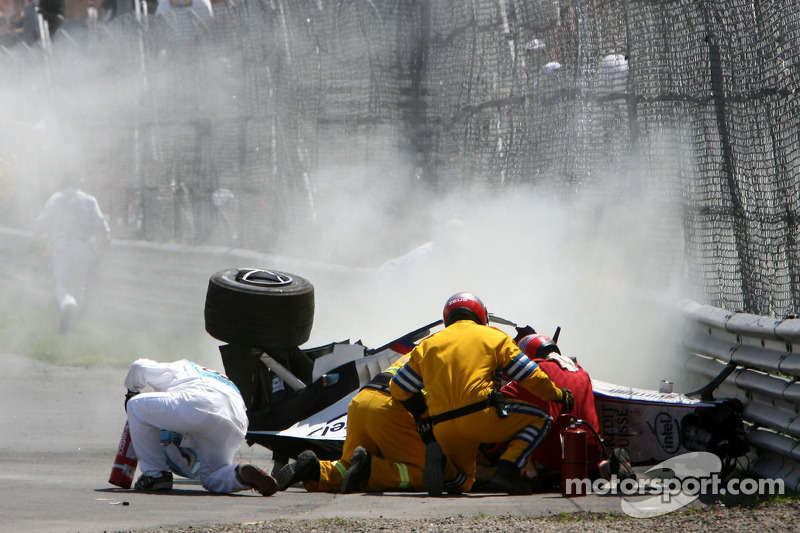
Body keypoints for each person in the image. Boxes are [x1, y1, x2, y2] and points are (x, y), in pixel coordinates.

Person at [389, 292, 574, 495]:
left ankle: (444, 469)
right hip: (482, 417)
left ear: (447, 318)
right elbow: (530, 375)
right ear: (482, 314)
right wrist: (558, 395)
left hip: (442, 426)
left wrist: (423, 413)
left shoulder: (428, 345)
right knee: (542, 418)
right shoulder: (494, 337)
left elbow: (398, 387)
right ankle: (509, 469)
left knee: (465, 482)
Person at [274, 353, 450, 494]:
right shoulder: (464, 356)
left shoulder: (427, 346)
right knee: (427, 473)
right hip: (393, 408)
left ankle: (315, 469)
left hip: (361, 401)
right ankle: (370, 470)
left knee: (347, 465)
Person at [123, 358, 278, 496]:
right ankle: (239, 473)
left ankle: (155, 475)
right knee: (212, 476)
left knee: (135, 406)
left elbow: (139, 366)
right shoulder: (218, 378)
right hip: (237, 421)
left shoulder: (180, 367)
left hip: (199, 404)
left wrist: (132, 392)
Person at [498, 333, 633, 490]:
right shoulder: (582, 373)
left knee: (516, 420)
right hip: (589, 450)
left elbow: (499, 399)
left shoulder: (535, 373)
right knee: (590, 466)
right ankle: (608, 468)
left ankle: (532, 476)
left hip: (552, 454)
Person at [33, 182, 111, 333]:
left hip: (61, 244)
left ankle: (67, 307)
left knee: (62, 281)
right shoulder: (89, 200)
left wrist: (36, 235)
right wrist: (105, 241)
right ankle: (71, 323)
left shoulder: (57, 198)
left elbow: (43, 220)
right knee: (78, 283)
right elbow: (102, 225)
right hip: (83, 246)